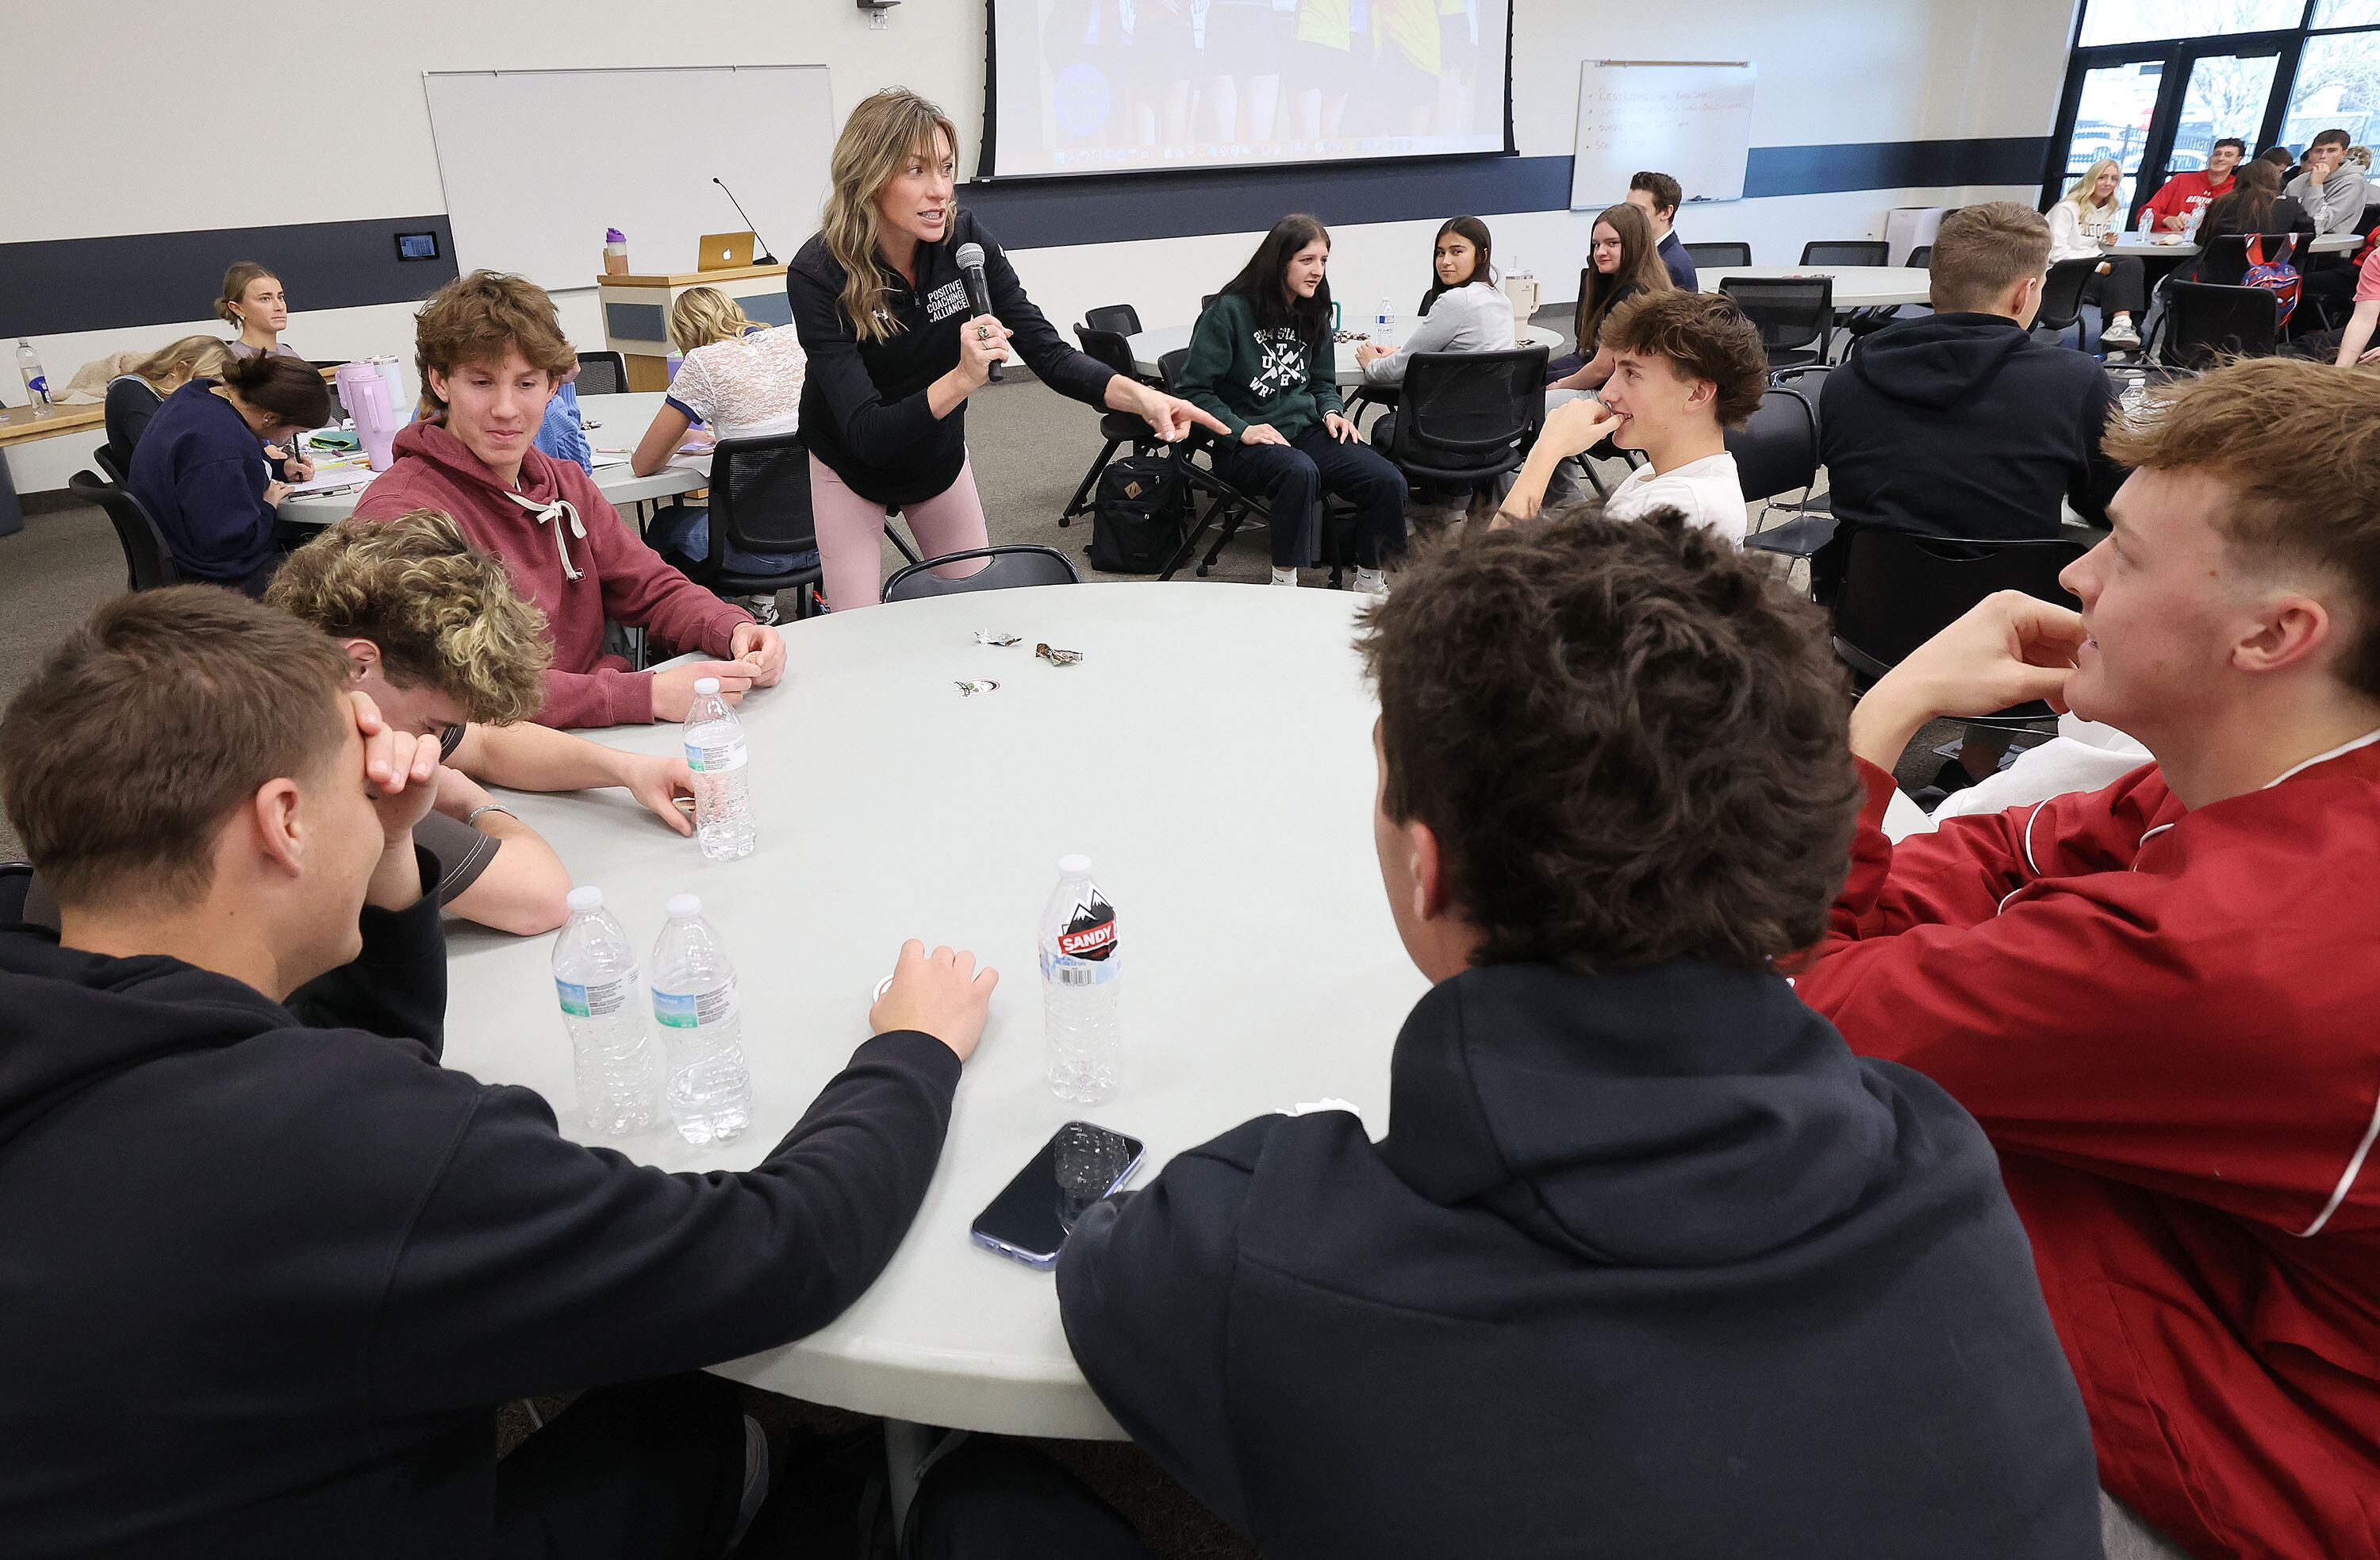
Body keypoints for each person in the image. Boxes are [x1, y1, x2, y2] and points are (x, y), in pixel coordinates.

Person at [1055, 512, 2104, 1558]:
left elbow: (1105, 1268)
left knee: (985, 1500)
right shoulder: (1941, 1160)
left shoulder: (1265, 1253)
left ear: (1432, 865)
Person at [0, 585, 1000, 1557]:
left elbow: (357, 1071)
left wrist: (390, 856)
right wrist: (912, 1048)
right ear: (283, 821)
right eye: (360, 768)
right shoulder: (350, 1152)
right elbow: (783, 1252)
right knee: (686, 1408)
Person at [1796, 357, 2380, 1560]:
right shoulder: (2277, 778)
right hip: (2231, 1283)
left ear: (2275, 633)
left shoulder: (2247, 949)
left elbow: (1799, 1010)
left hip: (2285, 1466)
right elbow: (2008, 848)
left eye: (2122, 551)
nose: (2075, 576)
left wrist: (1880, 714)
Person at [788, 87, 1219, 609]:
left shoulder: (964, 241)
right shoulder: (817, 273)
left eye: (947, 169)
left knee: (975, 613)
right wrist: (962, 380)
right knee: (856, 631)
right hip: (849, 461)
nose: (941, 191)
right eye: (917, 171)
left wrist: (1142, 398)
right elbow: (867, 433)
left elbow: (1047, 352)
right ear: (869, 177)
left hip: (935, 454)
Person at [351, 270, 786, 728]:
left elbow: (650, 586)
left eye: (526, 383)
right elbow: (450, 689)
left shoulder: (566, 484)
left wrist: (733, 627)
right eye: (481, 383)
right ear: (441, 382)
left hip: (599, 727)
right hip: (502, 757)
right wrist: (643, 694)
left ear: (552, 386)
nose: (506, 408)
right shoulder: (402, 513)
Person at [267, 511, 704, 935]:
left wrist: (629, 770)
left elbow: (487, 742)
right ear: (359, 664)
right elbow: (542, 899)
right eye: (432, 725)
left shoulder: (303, 684)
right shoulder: (326, 769)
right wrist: (470, 801)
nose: (436, 746)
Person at [1821, 202, 2123, 544]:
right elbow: (2110, 503)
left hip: (1862, 591)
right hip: (2019, 594)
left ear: (1933, 289)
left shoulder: (1846, 381)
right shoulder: (2076, 381)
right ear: (2025, 295)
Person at [1176, 213, 1409, 592]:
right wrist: (1242, 429)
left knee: (1386, 480)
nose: (1317, 271)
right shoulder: (1228, 312)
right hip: (1243, 440)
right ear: (1279, 261)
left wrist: (1333, 411)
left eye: (1323, 261)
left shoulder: (1314, 308)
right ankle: (1284, 587)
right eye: (1307, 260)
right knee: (1297, 471)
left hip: (1305, 430)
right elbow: (1193, 393)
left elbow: (1321, 382)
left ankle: (1369, 583)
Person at [1495, 290, 1764, 542]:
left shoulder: (1673, 511)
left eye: (1631, 374)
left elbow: (1490, 582)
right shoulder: (1662, 473)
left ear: (1696, 394)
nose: (1607, 394)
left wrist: (1547, 451)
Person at [635, 287, 810, 577]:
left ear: (684, 333)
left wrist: (684, 436)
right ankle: (760, 602)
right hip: (827, 542)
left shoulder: (703, 362)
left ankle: (709, 613)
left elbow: (643, 464)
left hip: (753, 551)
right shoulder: (793, 337)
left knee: (663, 523)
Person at [125, 352, 329, 595]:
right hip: (215, 576)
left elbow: (220, 474)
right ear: (271, 418)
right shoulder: (220, 444)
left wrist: (278, 468)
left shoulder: (199, 396)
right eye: (295, 432)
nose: (291, 440)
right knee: (337, 570)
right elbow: (230, 544)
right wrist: (268, 506)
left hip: (179, 549)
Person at [1353, 216, 1514, 386]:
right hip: (1496, 410)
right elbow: (1461, 353)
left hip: (1451, 410)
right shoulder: (1502, 300)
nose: (1445, 261)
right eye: (1440, 253)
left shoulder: (1457, 301)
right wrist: (1399, 352)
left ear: (1482, 255)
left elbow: (1399, 368)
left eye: (1457, 251)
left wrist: (1371, 363)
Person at [1544, 200, 1673, 391]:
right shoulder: (1618, 283)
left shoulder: (1633, 295)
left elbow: (1601, 370)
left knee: (1537, 392)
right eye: (1596, 245)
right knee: (1536, 374)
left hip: (1619, 392)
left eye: (1612, 243)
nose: (1600, 253)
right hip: (1611, 381)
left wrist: (1559, 386)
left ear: (1634, 244)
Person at [2045, 159, 2145, 349]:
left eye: (2114, 179)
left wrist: (2104, 241)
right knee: (2125, 283)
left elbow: (2084, 241)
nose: (2108, 183)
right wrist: (2099, 266)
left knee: (2132, 266)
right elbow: (2055, 252)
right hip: (2063, 273)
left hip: (2089, 268)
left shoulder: (2107, 209)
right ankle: (2121, 346)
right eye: (2102, 177)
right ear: (2091, 179)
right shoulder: (2066, 208)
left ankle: (2121, 329)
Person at [102, 334, 232, 474]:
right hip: (163, 489)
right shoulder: (130, 393)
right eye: (207, 385)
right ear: (180, 369)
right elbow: (163, 458)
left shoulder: (174, 402)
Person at [2138, 136, 2243, 232]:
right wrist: (2165, 219)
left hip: (2207, 247)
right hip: (2164, 244)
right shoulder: (2181, 180)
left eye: (2228, 155)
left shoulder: (2238, 188)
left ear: (2238, 160)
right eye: (2217, 154)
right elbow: (2144, 214)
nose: (2221, 158)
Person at [2286, 126, 2370, 236]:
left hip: (2327, 247)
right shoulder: (2298, 182)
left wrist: (2316, 185)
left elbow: (2316, 225)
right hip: (2291, 241)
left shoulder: (2353, 183)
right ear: (2310, 154)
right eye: (2318, 151)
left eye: (2331, 150)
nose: (2323, 156)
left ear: (2343, 154)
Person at [217, 260, 303, 360]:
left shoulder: (290, 355)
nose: (279, 307)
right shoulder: (232, 360)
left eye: (280, 297)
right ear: (237, 308)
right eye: (265, 299)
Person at [1626, 169, 1698, 290]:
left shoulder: (1674, 266)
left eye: (1639, 210)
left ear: (1666, 213)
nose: (1628, 216)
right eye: (1627, 208)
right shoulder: (1641, 249)